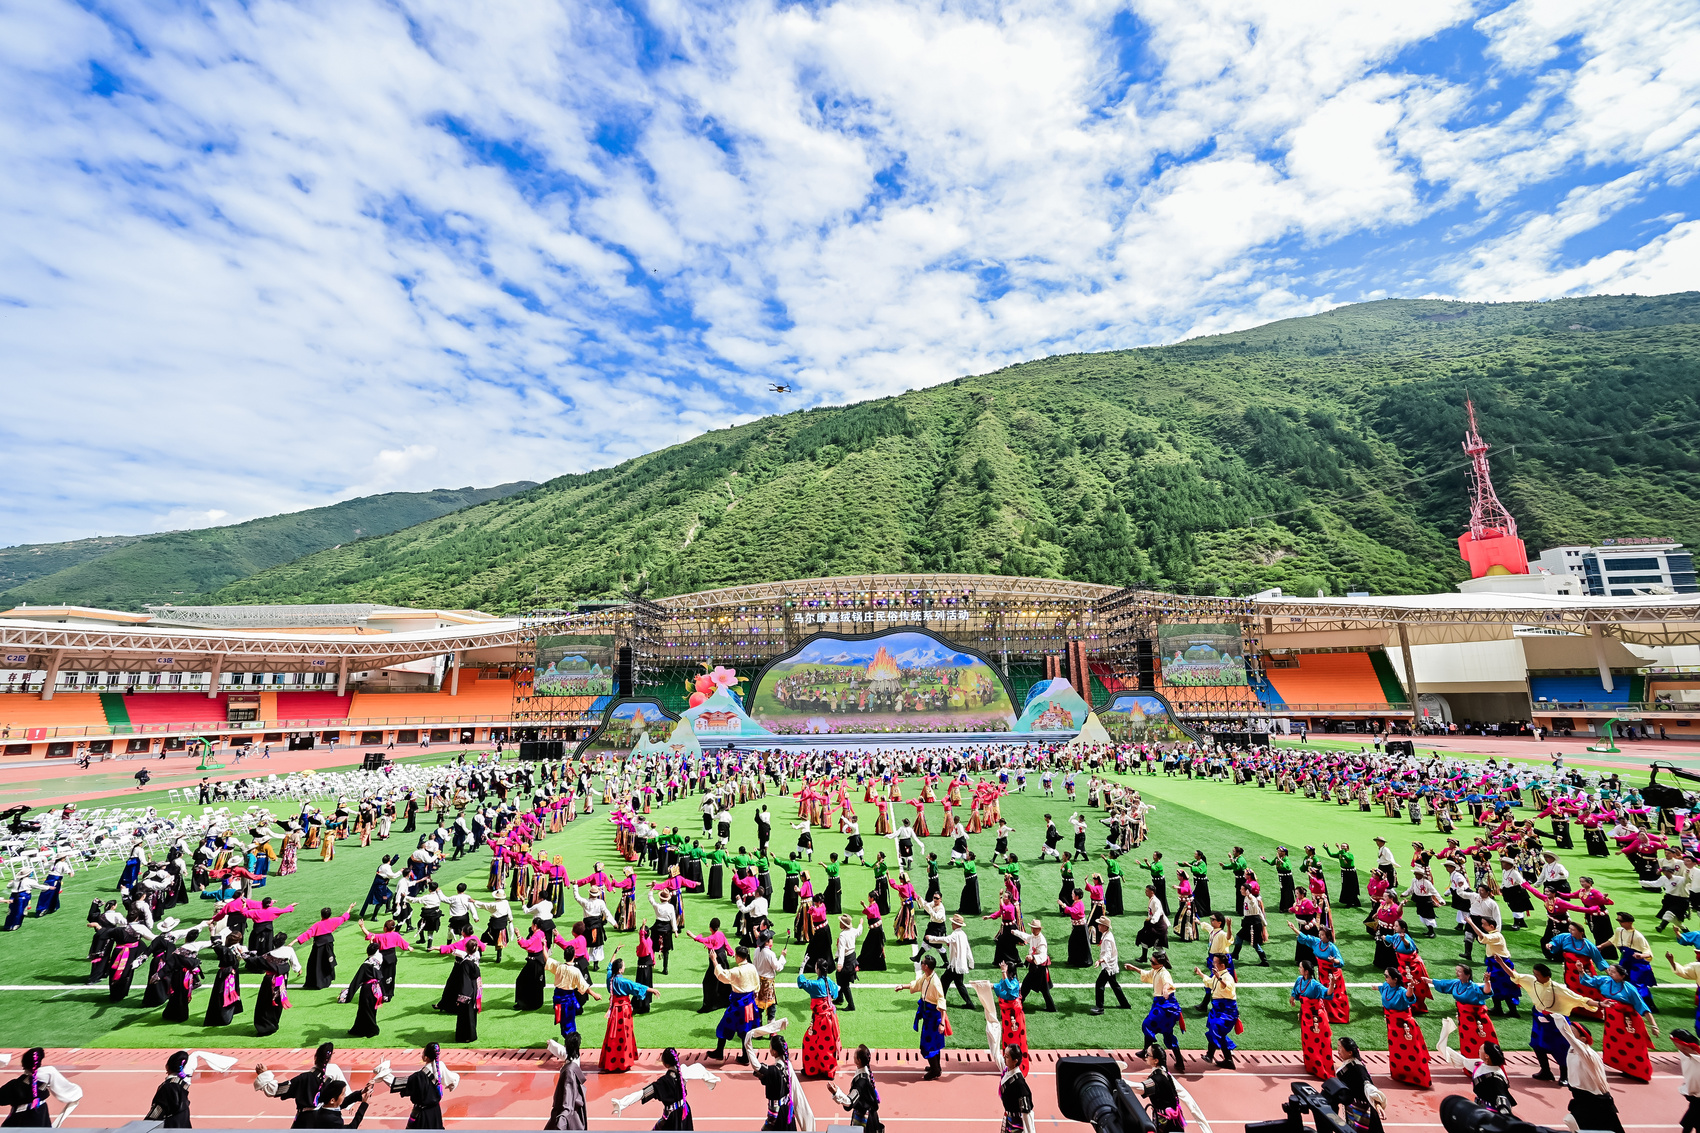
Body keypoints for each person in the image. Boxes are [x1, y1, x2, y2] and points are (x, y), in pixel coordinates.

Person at [1513, 961, 1591, 1085]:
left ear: (1547, 977)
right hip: (1539, 1019)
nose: (1535, 977)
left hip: (1556, 1022)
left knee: (1560, 1048)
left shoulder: (1558, 988)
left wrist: (1599, 1004)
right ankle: (1545, 1071)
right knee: (1537, 1045)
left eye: (1538, 975)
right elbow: (1514, 976)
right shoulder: (1534, 982)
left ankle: (1565, 1076)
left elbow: (1580, 999)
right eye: (1534, 974)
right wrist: (1501, 962)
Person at [1551, 1016, 1626, 1133]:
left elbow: (1566, 1033)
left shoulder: (1587, 1054)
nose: (1569, 1034)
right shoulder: (1571, 1050)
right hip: (1581, 1097)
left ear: (1583, 1039)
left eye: (1572, 1032)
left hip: (1597, 1101)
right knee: (1574, 1123)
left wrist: (1557, 1016)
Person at [1436, 1018, 1515, 1116]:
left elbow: (1503, 1099)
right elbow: (1461, 1060)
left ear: (1487, 1056)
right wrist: (1444, 1040)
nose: (1479, 1050)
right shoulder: (1479, 1064)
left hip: (1493, 1113)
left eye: (1481, 1049)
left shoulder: (1496, 1077)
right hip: (1481, 1107)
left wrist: (1505, 1116)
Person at [253, 1043, 344, 1126]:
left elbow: (275, 1090)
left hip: (304, 1121)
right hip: (323, 1120)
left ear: (315, 1057)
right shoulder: (330, 1080)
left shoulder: (304, 1078)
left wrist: (264, 1074)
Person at [373, 1044, 459, 1130]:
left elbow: (395, 1083)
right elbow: (454, 1079)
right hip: (436, 1113)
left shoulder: (418, 1077)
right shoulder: (440, 1066)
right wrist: (451, 1085)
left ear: (426, 1057)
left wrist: (383, 1070)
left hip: (421, 1115)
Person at [1127, 951, 1184, 1071]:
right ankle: (1179, 1061)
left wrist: (1165, 989)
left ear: (1160, 964)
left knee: (1148, 1024)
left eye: (1153, 962)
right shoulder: (1156, 970)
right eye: (1151, 961)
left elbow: (1168, 983)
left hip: (1165, 1005)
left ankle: (1147, 1050)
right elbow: (1147, 974)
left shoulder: (1164, 973)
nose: (1151, 963)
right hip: (1160, 1004)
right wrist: (1134, 968)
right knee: (1167, 1033)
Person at [895, 955, 948, 1080]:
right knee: (933, 1043)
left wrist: (942, 1023)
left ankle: (935, 1070)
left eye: (923, 962)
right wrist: (902, 986)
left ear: (926, 966)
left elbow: (942, 1003)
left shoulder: (935, 983)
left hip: (933, 1017)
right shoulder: (926, 976)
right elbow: (917, 984)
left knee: (928, 1044)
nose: (921, 963)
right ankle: (936, 1067)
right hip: (928, 1015)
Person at [0, 1047, 82, 1127]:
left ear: (24, 1065)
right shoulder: (46, 1077)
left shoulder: (15, 1085)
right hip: (41, 1117)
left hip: (21, 1121)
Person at [1379, 968, 1431, 1087]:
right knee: (1396, 1051)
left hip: (1404, 1026)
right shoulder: (1386, 986)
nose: (1385, 978)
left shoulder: (1402, 991)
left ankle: (1417, 1078)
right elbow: (1381, 989)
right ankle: (1400, 1074)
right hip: (1392, 1025)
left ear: (1395, 979)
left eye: (1386, 976)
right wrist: (1376, 988)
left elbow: (1409, 996)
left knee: (1411, 1052)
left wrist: (1411, 987)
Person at [710, 946, 762, 1061]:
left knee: (724, 1025)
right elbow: (757, 983)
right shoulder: (752, 967)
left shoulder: (736, 971)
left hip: (738, 1005)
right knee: (745, 1029)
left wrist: (714, 960)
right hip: (750, 1003)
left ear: (738, 957)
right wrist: (756, 992)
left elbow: (722, 975)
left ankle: (719, 1051)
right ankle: (745, 1056)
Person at [601, 957, 652, 1073]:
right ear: (620, 970)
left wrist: (615, 953)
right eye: (623, 966)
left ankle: (611, 1062)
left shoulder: (610, 979)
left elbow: (609, 967)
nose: (624, 967)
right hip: (623, 1012)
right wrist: (652, 990)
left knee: (612, 1035)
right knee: (624, 1035)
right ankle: (623, 1062)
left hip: (614, 1011)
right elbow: (636, 986)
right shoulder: (623, 982)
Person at [1290, 960, 1334, 1079]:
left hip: (1316, 1018)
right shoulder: (1299, 980)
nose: (1299, 969)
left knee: (1317, 1043)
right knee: (1307, 1042)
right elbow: (1295, 991)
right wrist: (1292, 998)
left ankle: (1321, 1068)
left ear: (1306, 971)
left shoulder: (1315, 984)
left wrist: (1332, 984)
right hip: (1305, 1017)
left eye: (1300, 967)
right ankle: (1311, 1065)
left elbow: (1327, 993)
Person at [798, 959, 842, 1079]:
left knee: (809, 1042)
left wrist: (802, 968)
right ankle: (828, 1071)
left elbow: (802, 983)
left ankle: (812, 1069)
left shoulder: (816, 985)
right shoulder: (829, 982)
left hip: (820, 1020)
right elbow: (836, 992)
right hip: (830, 1019)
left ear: (817, 969)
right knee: (828, 1045)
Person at [1334, 1037, 1387, 1133]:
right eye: (1338, 1046)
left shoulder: (1358, 1068)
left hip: (1364, 1111)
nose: (1338, 1050)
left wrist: (1377, 1104)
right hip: (1353, 1108)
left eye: (1340, 1047)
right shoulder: (1348, 1064)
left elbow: (1368, 1085)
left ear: (1350, 1052)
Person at [826, 1044, 881, 1133]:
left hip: (864, 1120)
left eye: (855, 1054)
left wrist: (836, 1093)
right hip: (868, 1116)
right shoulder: (866, 1071)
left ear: (859, 1060)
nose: (853, 1055)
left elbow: (849, 1101)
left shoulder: (861, 1082)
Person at [1197, 955, 1239, 1070]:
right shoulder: (1217, 975)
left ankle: (1210, 1055)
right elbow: (1210, 983)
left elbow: (1227, 987)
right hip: (1217, 1009)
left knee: (1215, 1029)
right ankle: (1228, 1060)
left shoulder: (1227, 977)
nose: (1212, 963)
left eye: (1215, 962)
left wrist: (1219, 978)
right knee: (1216, 1031)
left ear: (1222, 965)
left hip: (1227, 1011)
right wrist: (1200, 974)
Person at [1133, 1047, 1184, 1133]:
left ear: (1156, 1060)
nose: (1145, 1056)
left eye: (1148, 1054)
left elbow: (1141, 1088)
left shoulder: (1158, 1078)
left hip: (1166, 1122)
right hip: (1167, 1119)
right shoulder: (1164, 1073)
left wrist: (1120, 1082)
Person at [1088, 916, 1130, 1015]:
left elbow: (1108, 954)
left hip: (1108, 966)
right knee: (1114, 985)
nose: (1098, 926)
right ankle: (1125, 1004)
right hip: (1111, 965)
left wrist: (1100, 961)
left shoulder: (1107, 939)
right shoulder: (1107, 935)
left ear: (1104, 927)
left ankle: (1100, 1007)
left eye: (1100, 924)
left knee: (1099, 984)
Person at [547, 1033, 587, 1131]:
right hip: (573, 1110)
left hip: (566, 1114)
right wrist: (552, 1043)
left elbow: (567, 1100)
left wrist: (562, 1119)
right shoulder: (575, 1059)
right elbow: (563, 1052)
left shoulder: (569, 1071)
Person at [144, 1051, 194, 1128]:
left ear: (167, 1066)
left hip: (171, 1128)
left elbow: (157, 1110)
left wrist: (144, 1125)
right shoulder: (182, 1085)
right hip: (185, 1127)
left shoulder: (167, 1087)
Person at [997, 1044, 1032, 1133]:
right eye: (1004, 1055)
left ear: (1015, 1061)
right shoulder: (1007, 1071)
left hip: (1016, 1123)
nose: (1004, 1058)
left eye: (1007, 1056)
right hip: (1008, 1118)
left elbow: (1026, 1113)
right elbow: (997, 1057)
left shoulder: (1019, 1084)